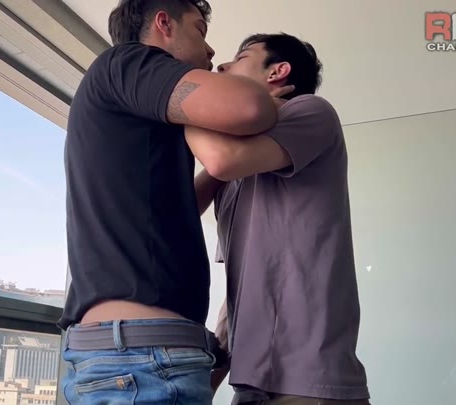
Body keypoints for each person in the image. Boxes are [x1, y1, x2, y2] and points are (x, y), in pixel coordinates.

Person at [58, 1, 287, 404]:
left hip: (131, 355)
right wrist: (270, 100)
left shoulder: (131, 105)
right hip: (140, 357)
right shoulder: (128, 62)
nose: (211, 50)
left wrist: (221, 168)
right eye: (199, 30)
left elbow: (174, 210)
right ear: (164, 23)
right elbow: (248, 107)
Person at [186, 33, 371, 404]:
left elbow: (222, 160)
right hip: (252, 383)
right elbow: (241, 285)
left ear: (278, 71)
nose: (222, 66)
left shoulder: (311, 111)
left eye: (240, 58)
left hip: (310, 380)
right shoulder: (236, 169)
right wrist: (211, 378)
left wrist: (184, 106)